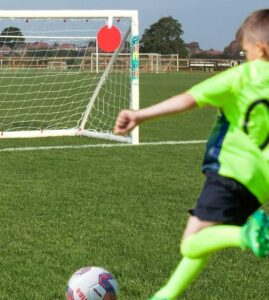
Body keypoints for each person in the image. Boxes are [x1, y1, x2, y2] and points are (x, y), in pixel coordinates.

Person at [114, 9, 269, 300]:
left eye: (246, 49)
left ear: (259, 48)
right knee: (205, 239)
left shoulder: (243, 75)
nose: (245, 55)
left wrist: (140, 115)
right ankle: (166, 294)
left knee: (191, 243)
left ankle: (246, 235)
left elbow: (189, 99)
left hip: (230, 172)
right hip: (261, 184)